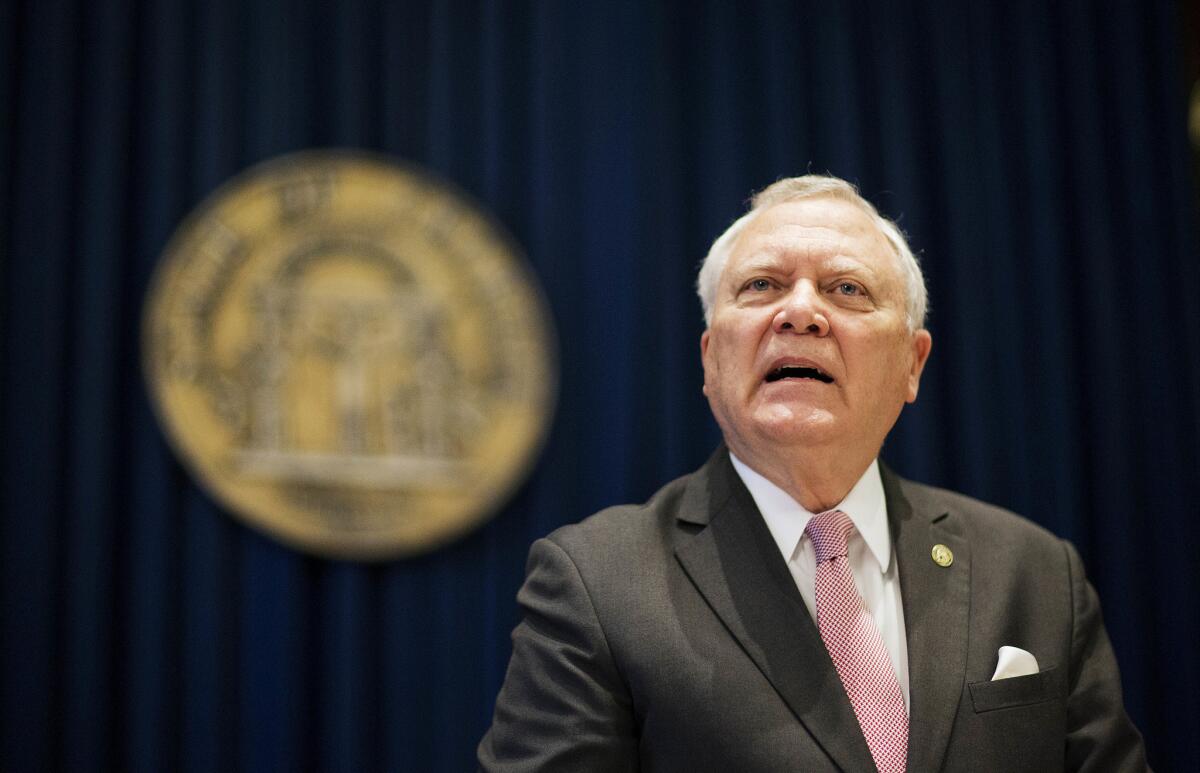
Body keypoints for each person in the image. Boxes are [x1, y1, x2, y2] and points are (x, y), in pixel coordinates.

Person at [478, 175, 1148, 771]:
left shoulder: (1034, 572)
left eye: (846, 288)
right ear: (711, 361)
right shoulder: (597, 582)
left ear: (912, 363)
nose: (799, 312)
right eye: (762, 285)